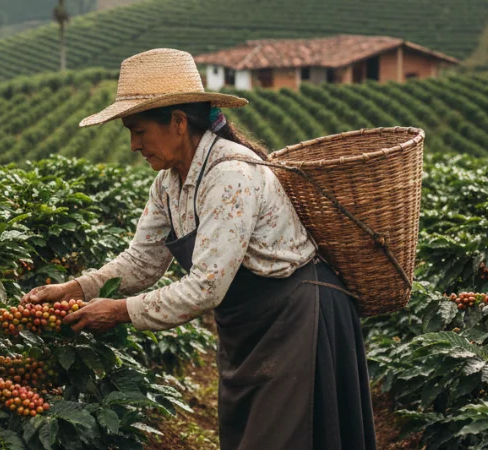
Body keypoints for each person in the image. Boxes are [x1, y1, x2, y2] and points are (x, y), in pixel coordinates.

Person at [20, 48, 376, 450]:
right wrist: (78, 289)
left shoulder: (230, 176)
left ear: (176, 122)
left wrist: (119, 311)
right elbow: (143, 261)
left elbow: (207, 286)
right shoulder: (169, 183)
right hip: (246, 325)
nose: (135, 145)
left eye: (139, 131)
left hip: (296, 316)